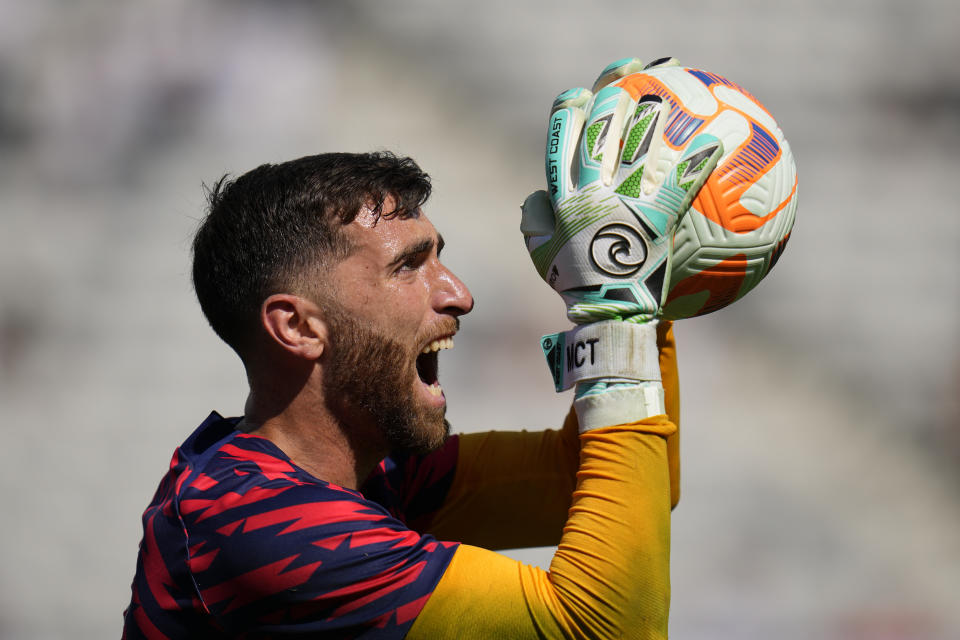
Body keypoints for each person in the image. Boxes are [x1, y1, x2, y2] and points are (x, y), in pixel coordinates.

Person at [123, 57, 710, 639]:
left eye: (439, 255)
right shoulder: (255, 523)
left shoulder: (374, 468)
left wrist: (650, 279)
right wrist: (616, 305)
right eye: (408, 266)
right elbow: (607, 630)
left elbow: (614, 483)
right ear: (298, 328)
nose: (459, 294)